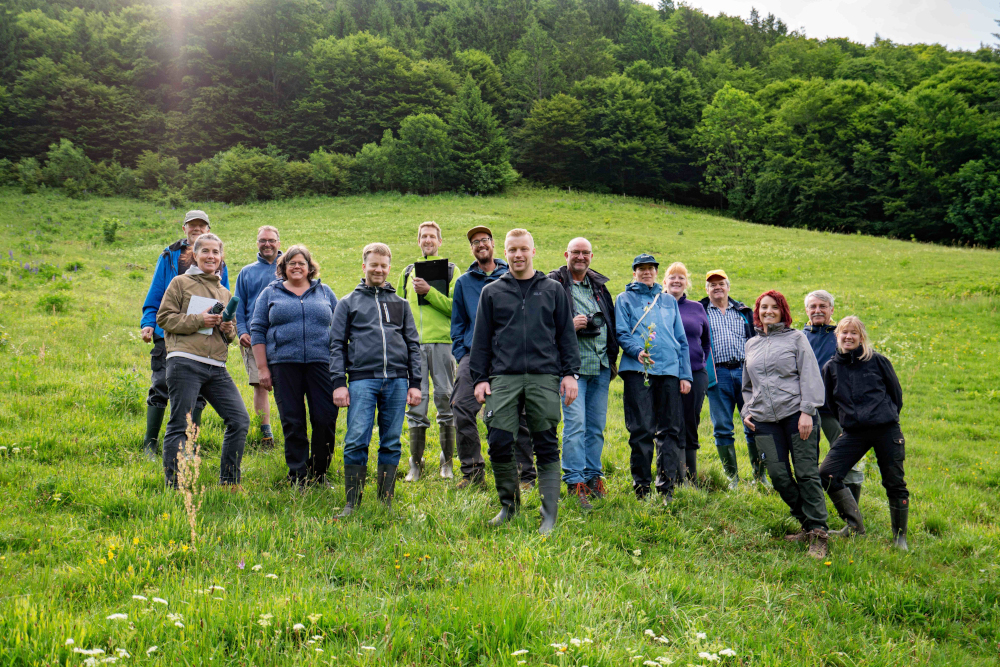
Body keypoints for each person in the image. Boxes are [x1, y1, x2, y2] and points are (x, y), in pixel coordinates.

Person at [470, 228, 580, 534]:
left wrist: (570, 373)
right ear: (504, 253)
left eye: (523, 249)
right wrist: (479, 379)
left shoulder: (553, 290)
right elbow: (480, 341)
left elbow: (566, 337)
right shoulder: (491, 292)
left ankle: (549, 514)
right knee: (499, 441)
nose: (518, 255)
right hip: (503, 377)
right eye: (512, 250)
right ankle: (509, 506)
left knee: (545, 442)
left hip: (544, 375)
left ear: (533, 251)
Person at [331, 243, 422, 517]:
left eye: (383, 265)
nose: (378, 270)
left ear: (389, 268)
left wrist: (415, 382)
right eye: (373, 265)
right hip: (361, 381)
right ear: (364, 267)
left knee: (391, 441)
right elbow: (336, 344)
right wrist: (338, 382)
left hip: (397, 381)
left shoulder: (401, 304)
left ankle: (385, 501)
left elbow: (413, 345)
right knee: (356, 439)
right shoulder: (348, 303)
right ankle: (352, 503)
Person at [155, 233, 249, 489]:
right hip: (184, 362)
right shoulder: (180, 283)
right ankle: (174, 485)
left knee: (239, 420)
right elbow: (164, 319)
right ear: (195, 256)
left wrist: (227, 326)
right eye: (205, 251)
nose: (211, 256)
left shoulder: (224, 292)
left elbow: (229, 336)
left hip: (216, 367)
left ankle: (229, 482)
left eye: (216, 252)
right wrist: (199, 320)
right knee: (181, 423)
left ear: (221, 258)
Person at [740, 290, 828, 559]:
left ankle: (819, 534)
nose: (768, 311)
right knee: (778, 476)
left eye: (774, 307)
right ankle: (809, 524)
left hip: (796, 416)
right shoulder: (751, 344)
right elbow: (747, 385)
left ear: (783, 311)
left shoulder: (796, 338)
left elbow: (810, 376)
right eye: (763, 307)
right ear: (758, 312)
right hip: (764, 419)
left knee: (805, 473)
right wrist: (746, 409)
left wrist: (806, 412)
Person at [140, 210, 228, 461]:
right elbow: (156, 292)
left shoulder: (217, 260)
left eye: (202, 226)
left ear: (208, 229)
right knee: (160, 384)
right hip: (169, 333)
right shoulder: (168, 256)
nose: (196, 229)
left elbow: (224, 295)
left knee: (197, 393)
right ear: (184, 228)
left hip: (203, 337)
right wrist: (148, 323)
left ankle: (189, 447)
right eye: (192, 225)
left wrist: (224, 323)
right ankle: (150, 445)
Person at [250, 245, 339, 488]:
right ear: (283, 267)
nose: (297, 267)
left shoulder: (325, 292)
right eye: (291, 263)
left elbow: (341, 328)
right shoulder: (270, 293)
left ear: (310, 267)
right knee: (293, 420)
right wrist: (262, 369)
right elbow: (257, 329)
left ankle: (320, 474)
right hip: (283, 365)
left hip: (322, 364)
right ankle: (298, 475)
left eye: (301, 263)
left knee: (325, 418)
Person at [818, 316, 910, 550]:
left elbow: (896, 395)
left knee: (894, 482)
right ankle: (854, 525)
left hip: (886, 429)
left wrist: (884, 416)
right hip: (853, 433)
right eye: (844, 333)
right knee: (827, 473)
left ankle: (900, 537)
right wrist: (848, 422)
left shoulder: (877, 361)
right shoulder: (830, 368)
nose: (848, 337)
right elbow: (830, 403)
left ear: (861, 337)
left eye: (854, 333)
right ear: (836, 336)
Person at [449, 225, 524, 489]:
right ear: (471, 249)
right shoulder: (463, 283)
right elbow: (457, 324)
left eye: (484, 240)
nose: (480, 245)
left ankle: (524, 473)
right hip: (473, 355)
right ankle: (472, 472)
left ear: (493, 244)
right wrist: (462, 354)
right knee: (461, 406)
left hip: (508, 356)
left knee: (517, 410)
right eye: (475, 242)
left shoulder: (512, 275)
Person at [615, 254, 692, 504]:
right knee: (641, 429)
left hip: (669, 370)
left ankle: (667, 486)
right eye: (641, 269)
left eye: (650, 268)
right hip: (639, 370)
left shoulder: (668, 301)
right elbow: (621, 332)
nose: (646, 272)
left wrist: (685, 374)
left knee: (670, 430)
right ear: (634, 272)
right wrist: (637, 351)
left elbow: (681, 340)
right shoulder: (624, 299)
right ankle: (642, 487)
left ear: (656, 272)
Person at [547, 237, 618, 508]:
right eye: (576, 252)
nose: (580, 257)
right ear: (566, 254)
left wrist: (612, 358)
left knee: (596, 427)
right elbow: (543, 325)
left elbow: (608, 322)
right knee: (575, 426)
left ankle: (593, 477)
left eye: (585, 253)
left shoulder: (598, 287)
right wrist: (568, 326)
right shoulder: (554, 284)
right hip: (571, 369)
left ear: (591, 256)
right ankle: (574, 482)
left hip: (600, 366)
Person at [398, 221, 459, 482]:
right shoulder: (406, 272)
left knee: (446, 398)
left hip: (444, 344)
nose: (428, 240)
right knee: (416, 403)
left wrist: (429, 292)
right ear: (418, 240)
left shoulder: (453, 270)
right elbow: (400, 308)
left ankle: (447, 461)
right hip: (413, 346)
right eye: (423, 236)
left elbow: (456, 308)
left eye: (432, 236)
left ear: (440, 241)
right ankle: (416, 463)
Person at [700, 270, 767, 489]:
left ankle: (760, 476)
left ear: (728, 287)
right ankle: (732, 479)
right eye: (712, 285)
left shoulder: (743, 311)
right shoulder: (700, 311)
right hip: (717, 375)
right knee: (722, 427)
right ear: (706, 289)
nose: (717, 287)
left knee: (754, 423)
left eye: (721, 284)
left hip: (746, 374)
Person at [803, 290, 865, 506]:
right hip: (807, 410)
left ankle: (852, 511)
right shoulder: (799, 337)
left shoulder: (843, 336)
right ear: (806, 310)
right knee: (807, 459)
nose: (817, 310)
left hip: (837, 410)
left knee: (847, 457)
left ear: (831, 309)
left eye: (823, 306)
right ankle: (814, 505)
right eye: (813, 306)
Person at [662, 262, 714, 485]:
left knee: (690, 420)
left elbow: (706, 341)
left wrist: (696, 361)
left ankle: (690, 476)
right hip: (665, 375)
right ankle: (672, 475)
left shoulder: (696, 308)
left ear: (687, 283)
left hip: (695, 374)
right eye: (672, 277)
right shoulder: (658, 305)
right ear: (664, 282)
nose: (676, 281)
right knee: (670, 422)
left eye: (681, 278)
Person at [235, 225, 281, 449]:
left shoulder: (290, 268)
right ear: (257, 244)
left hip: (282, 336)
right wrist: (242, 331)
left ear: (279, 243)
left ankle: (293, 426)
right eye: (262, 240)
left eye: (271, 240)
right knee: (260, 384)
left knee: (287, 383)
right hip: (254, 337)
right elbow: (239, 304)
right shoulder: (247, 272)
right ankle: (266, 434)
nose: (267, 244)